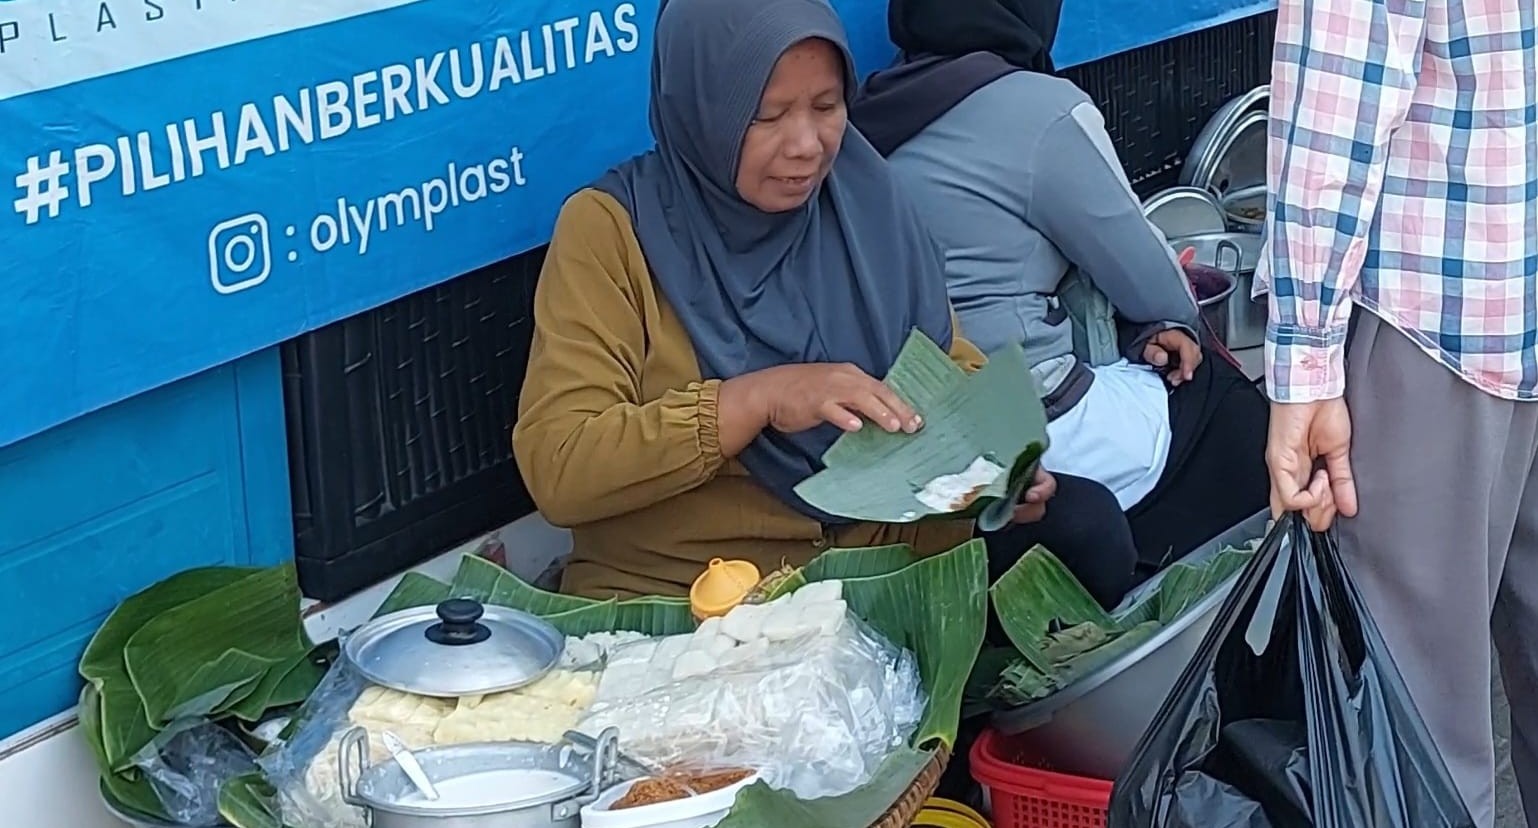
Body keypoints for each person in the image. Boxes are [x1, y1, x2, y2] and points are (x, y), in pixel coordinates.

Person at [510, 0, 1057, 599]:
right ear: (702, 110)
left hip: (880, 564)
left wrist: (997, 464)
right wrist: (757, 400)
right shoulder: (614, 228)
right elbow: (561, 465)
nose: (806, 145)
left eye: (826, 107)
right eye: (766, 116)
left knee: (1083, 527)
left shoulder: (864, 199)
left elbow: (948, 366)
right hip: (695, 598)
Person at [848, 0, 1271, 601]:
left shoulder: (867, 110)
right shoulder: (1038, 109)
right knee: (1220, 401)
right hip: (1025, 418)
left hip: (910, 425)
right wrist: (1157, 324)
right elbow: (1157, 286)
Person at [1260, 0, 1538, 823]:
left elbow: (1339, 86)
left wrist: (1305, 360)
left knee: (1417, 730)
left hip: (1447, 304)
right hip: (1482, 296)